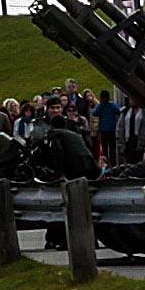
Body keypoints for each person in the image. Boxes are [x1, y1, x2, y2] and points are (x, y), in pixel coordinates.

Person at [42, 98, 100, 249]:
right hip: (83, 166)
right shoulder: (43, 124)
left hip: (72, 169)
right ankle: (57, 237)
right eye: (52, 108)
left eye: (58, 107)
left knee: (72, 205)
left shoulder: (58, 130)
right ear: (47, 109)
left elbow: (59, 151)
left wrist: (60, 173)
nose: (55, 110)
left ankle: (71, 239)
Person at [115, 96, 145, 166]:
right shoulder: (125, 112)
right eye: (130, 99)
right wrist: (120, 142)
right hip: (128, 142)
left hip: (141, 142)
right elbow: (120, 127)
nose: (132, 101)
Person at [93, 89, 120, 162]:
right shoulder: (112, 105)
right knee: (112, 148)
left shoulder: (101, 106)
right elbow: (118, 111)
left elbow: (94, 113)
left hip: (104, 130)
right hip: (111, 129)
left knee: (105, 149)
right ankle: (113, 163)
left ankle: (107, 163)